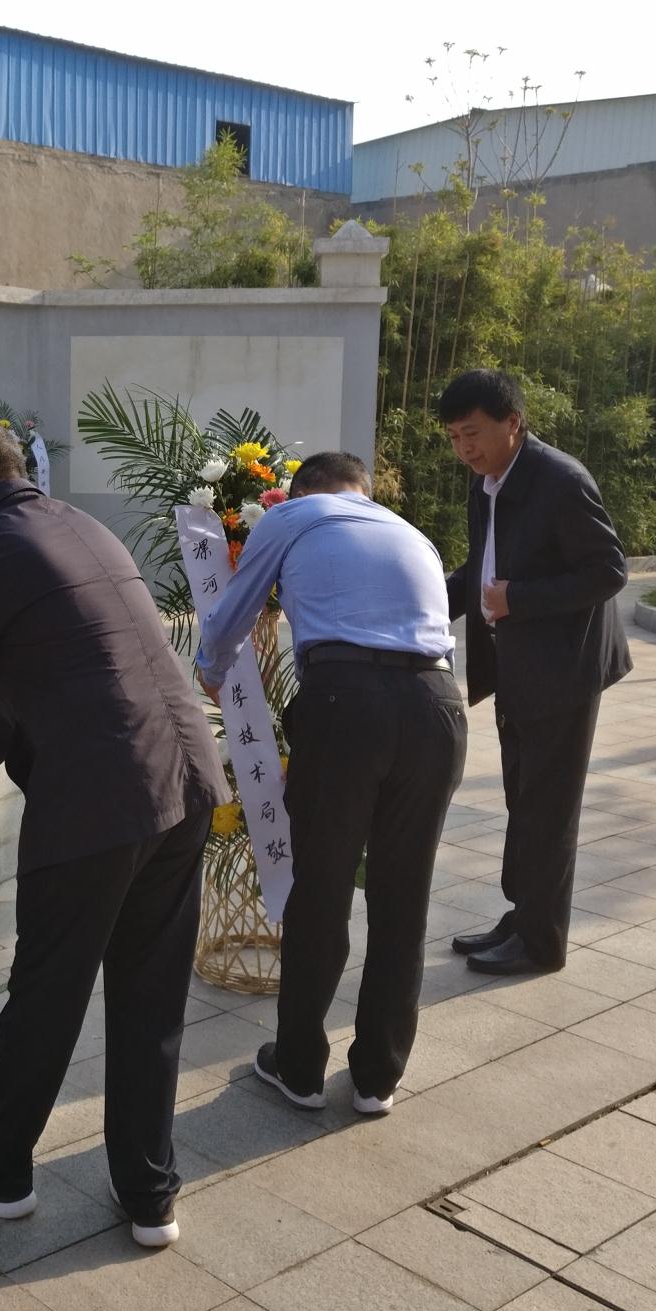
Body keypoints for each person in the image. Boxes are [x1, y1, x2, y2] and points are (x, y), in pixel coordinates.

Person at [0, 417, 229, 1249]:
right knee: (150, 995)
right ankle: (150, 1194)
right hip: (185, 780)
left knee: (46, 992)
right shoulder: (81, 527)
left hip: (100, 800)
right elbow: (84, 665)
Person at [194, 452, 465, 1117]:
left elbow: (232, 611)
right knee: (404, 896)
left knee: (320, 888)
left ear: (299, 490)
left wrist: (211, 670)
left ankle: (300, 1069)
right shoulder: (411, 533)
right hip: (438, 709)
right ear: (364, 492)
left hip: (347, 706)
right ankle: (377, 1079)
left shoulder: (293, 516)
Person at [437, 369, 631, 977]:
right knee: (522, 799)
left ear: (513, 423)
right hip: (517, 666)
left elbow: (608, 571)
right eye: (454, 437)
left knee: (548, 807)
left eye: (473, 433)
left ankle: (542, 941)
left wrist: (517, 599)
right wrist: (417, 602)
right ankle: (523, 916)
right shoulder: (488, 482)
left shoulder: (560, 481)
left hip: (564, 670)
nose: (464, 449)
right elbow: (481, 568)